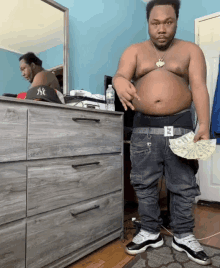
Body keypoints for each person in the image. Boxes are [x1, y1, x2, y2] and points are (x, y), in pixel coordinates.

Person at [113, 0, 211, 266]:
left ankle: (183, 234)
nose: (161, 29)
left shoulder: (191, 50)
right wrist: (119, 83)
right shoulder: (134, 51)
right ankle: (149, 231)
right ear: (148, 23)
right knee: (143, 185)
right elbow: (120, 75)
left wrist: (204, 124)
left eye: (168, 22)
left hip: (181, 127)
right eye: (155, 23)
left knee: (183, 185)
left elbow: (199, 87)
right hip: (144, 130)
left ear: (176, 20)